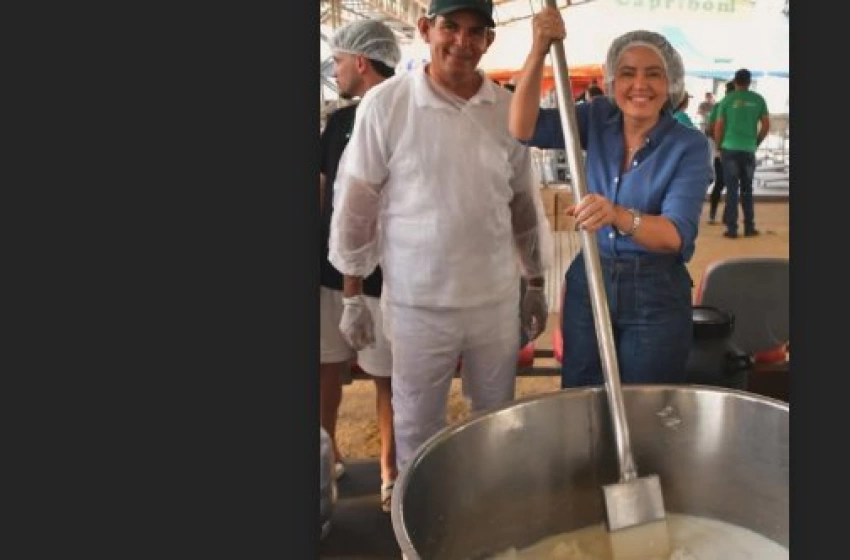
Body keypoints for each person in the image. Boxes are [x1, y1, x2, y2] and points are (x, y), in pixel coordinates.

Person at [329, 0, 552, 474]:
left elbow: (522, 204)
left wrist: (534, 281)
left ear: (489, 40)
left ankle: (491, 520)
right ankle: (420, 535)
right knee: (416, 425)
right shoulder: (387, 104)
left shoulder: (507, 108)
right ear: (427, 29)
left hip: (492, 302)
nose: (461, 42)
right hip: (417, 305)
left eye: (476, 32)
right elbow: (357, 203)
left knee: (496, 419)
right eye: (451, 27)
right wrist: (352, 292)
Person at [509, 7, 712, 388]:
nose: (640, 84)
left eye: (654, 74)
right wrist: (538, 49)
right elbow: (523, 127)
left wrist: (617, 215)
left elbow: (674, 235)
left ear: (671, 83)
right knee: (581, 394)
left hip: (656, 289)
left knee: (644, 402)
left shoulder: (689, 146)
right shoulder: (596, 117)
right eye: (628, 73)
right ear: (612, 80)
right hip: (591, 276)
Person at [319, 18, 401, 512]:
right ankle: (325, 461)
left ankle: (391, 469)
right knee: (325, 365)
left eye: (340, 60)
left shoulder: (403, 112)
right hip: (330, 267)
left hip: (384, 271)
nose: (336, 69)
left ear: (362, 61)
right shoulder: (337, 122)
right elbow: (325, 192)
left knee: (385, 373)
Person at [714, 68, 770, 238]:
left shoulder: (727, 100)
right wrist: (756, 142)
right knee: (747, 189)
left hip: (729, 149)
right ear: (749, 81)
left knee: (731, 190)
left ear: (736, 81)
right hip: (748, 150)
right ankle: (749, 227)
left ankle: (732, 229)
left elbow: (719, 126)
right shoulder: (759, 100)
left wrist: (719, 145)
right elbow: (766, 126)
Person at [705, 80, 735, 224]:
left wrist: (718, 143)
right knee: (730, 183)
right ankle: (723, 215)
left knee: (721, 183)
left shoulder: (719, 106)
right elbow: (709, 129)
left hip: (721, 150)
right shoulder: (721, 106)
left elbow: (709, 129)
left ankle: (714, 214)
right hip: (731, 150)